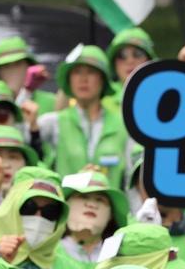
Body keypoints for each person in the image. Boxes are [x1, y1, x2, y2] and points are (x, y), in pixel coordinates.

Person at [40, 44, 126, 178]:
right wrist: (26, 92)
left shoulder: (123, 125)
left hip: (107, 198)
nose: (83, 79)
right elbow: (18, 139)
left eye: (91, 72)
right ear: (69, 80)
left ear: (103, 79)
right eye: (76, 72)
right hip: (66, 199)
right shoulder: (53, 123)